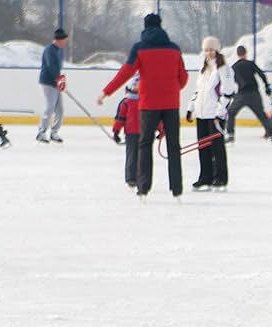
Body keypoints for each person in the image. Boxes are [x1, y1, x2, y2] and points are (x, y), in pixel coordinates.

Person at [97, 13, 188, 199]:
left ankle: (143, 188)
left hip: (148, 104)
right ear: (161, 27)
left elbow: (125, 72)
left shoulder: (139, 48)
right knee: (173, 145)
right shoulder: (174, 49)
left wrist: (106, 92)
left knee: (145, 144)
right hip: (171, 103)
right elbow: (183, 77)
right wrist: (172, 89)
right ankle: (177, 189)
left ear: (145, 28)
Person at [187, 36, 234, 191]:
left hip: (215, 115)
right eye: (206, 50)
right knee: (203, 147)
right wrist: (191, 107)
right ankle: (205, 177)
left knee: (217, 147)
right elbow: (197, 91)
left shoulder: (224, 69)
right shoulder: (204, 69)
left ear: (217, 50)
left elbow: (228, 92)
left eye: (211, 49)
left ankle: (221, 178)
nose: (208, 52)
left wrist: (220, 112)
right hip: (202, 114)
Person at [112, 75, 156, 188]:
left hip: (145, 132)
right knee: (132, 155)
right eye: (135, 84)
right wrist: (116, 131)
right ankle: (131, 178)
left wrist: (160, 129)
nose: (137, 87)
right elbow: (120, 118)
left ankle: (143, 178)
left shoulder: (148, 100)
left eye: (140, 85)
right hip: (131, 133)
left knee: (144, 156)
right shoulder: (126, 102)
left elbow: (155, 117)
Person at [226, 45, 272, 143]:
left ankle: (230, 134)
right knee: (261, 114)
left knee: (231, 112)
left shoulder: (234, 67)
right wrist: (267, 86)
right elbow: (261, 74)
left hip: (241, 95)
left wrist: (231, 93)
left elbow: (230, 81)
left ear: (237, 54)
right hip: (254, 94)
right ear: (245, 53)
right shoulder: (250, 64)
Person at [37, 28, 68, 143]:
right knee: (49, 107)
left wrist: (61, 79)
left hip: (55, 83)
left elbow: (57, 68)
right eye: (64, 40)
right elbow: (51, 67)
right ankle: (41, 131)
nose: (65, 43)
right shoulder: (49, 50)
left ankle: (54, 132)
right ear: (59, 40)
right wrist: (58, 78)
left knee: (59, 109)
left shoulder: (58, 51)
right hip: (48, 83)